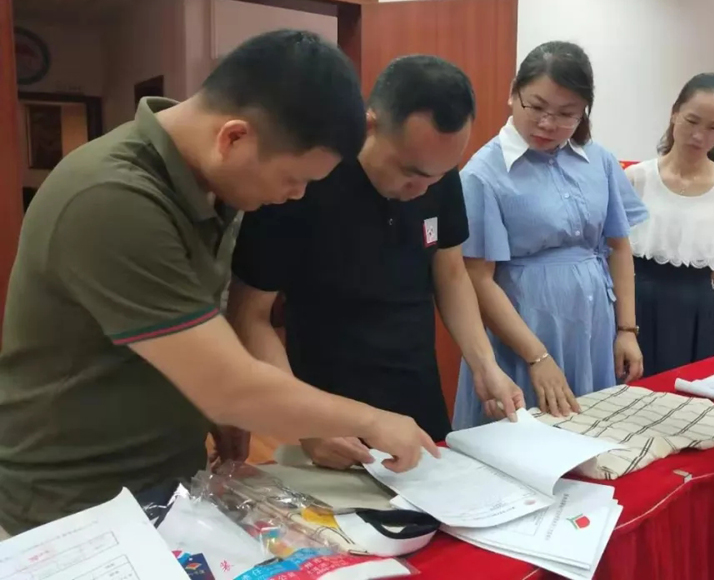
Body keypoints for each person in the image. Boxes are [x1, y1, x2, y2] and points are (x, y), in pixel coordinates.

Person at [0, 31, 438, 535]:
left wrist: (215, 410)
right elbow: (229, 386)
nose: (296, 195)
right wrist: (373, 420)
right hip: (70, 504)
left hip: (167, 481)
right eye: (293, 179)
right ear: (233, 138)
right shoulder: (112, 197)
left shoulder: (215, 185)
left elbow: (189, 331)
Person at [229, 55, 524, 469]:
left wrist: (484, 364)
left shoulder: (436, 173)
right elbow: (249, 315)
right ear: (369, 126)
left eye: (437, 176)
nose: (422, 190)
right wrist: (305, 420)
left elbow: (451, 273)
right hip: (331, 416)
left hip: (418, 404)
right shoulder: (304, 178)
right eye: (410, 173)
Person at [451, 41, 646, 429]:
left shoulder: (599, 160)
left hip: (594, 326)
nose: (547, 123)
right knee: (528, 439)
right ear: (513, 93)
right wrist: (536, 357)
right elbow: (477, 280)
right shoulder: (482, 173)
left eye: (566, 114)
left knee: (593, 435)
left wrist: (627, 329)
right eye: (537, 107)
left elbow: (619, 246)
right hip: (526, 332)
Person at [625, 74, 714, 376]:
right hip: (636, 307)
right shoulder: (636, 179)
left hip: (696, 310)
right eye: (692, 121)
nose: (699, 135)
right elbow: (611, 252)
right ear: (675, 113)